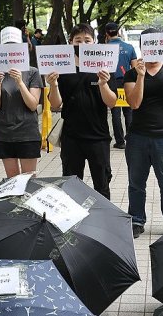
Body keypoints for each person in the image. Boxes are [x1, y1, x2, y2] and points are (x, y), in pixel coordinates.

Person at [124, 28, 163, 238]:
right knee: (136, 183)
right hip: (138, 137)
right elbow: (134, 103)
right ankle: (136, 220)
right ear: (142, 47)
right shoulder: (133, 73)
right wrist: (141, 77)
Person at [47, 24, 117, 199]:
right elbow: (55, 104)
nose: (82, 44)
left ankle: (103, 223)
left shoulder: (104, 66)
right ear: (70, 42)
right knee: (70, 186)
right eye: (78, 40)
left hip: (98, 136)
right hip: (71, 137)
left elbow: (112, 102)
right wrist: (53, 85)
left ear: (94, 42)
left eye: (87, 40)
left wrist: (103, 84)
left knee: (102, 185)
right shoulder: (61, 67)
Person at [0, 26, 43, 178]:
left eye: (14, 47)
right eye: (6, 47)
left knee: (29, 181)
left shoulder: (32, 72)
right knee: (12, 181)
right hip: (5, 134)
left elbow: (33, 105)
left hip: (27, 133)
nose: (10, 51)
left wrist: (20, 82)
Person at [105, 22, 138, 150]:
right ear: (118, 31)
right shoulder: (129, 47)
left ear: (107, 33)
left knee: (115, 113)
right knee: (128, 112)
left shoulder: (104, 48)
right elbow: (135, 68)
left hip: (111, 82)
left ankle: (120, 141)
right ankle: (130, 139)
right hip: (127, 82)